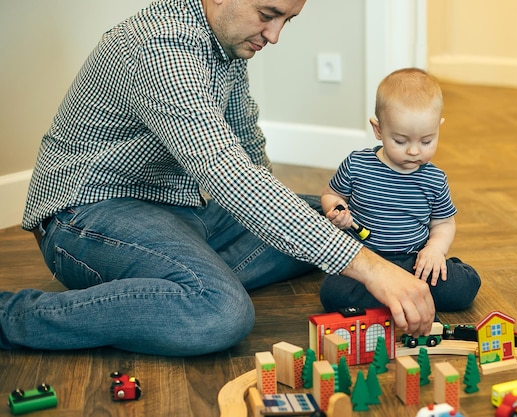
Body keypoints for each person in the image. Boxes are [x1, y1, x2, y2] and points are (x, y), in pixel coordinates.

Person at [1, 0, 436, 357]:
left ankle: (181, 283)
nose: (275, 35)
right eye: (268, 15)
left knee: (328, 217)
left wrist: (295, 225)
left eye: (288, 20)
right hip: (89, 216)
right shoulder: (160, 44)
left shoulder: (226, 46)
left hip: (180, 211)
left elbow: (249, 152)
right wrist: (370, 268)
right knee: (221, 312)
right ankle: (13, 315)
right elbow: (224, 168)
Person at [320, 68, 481, 313]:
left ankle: (397, 296)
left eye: (426, 141)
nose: (414, 151)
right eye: (401, 141)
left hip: (414, 261)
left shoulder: (434, 179)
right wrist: (336, 209)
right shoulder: (356, 164)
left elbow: (444, 224)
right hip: (365, 259)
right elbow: (332, 195)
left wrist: (435, 250)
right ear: (378, 129)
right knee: (333, 294)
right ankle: (404, 296)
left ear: (438, 127)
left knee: (464, 287)